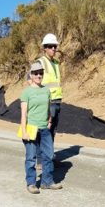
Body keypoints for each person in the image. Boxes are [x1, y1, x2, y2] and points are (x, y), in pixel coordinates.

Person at [21, 60, 62, 194]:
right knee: (31, 157)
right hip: (31, 128)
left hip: (44, 128)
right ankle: (31, 183)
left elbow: (48, 107)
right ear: (31, 75)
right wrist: (24, 131)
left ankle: (47, 182)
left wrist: (50, 120)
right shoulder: (26, 92)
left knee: (49, 155)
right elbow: (23, 114)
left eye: (41, 73)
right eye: (36, 73)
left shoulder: (46, 90)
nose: (39, 76)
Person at [38, 33, 63, 162]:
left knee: (52, 131)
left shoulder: (56, 63)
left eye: (55, 46)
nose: (54, 48)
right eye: (51, 46)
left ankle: (48, 158)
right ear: (45, 48)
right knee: (44, 132)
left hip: (57, 101)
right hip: (47, 102)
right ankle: (40, 160)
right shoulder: (40, 62)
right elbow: (31, 80)